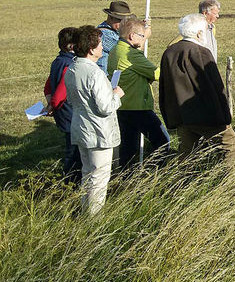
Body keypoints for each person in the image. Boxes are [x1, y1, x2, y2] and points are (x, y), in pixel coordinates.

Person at [159, 13, 235, 166]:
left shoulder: (169, 52)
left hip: (180, 113)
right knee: (230, 145)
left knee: (187, 152)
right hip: (204, 114)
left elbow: (164, 86)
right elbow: (215, 86)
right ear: (199, 33)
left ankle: (184, 184)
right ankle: (229, 182)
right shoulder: (200, 52)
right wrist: (224, 117)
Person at [65, 25, 125, 215]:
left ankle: (85, 211)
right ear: (91, 49)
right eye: (100, 44)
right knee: (99, 178)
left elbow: (70, 98)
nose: (102, 47)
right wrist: (117, 95)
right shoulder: (95, 73)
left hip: (81, 127)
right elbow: (105, 107)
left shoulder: (72, 68)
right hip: (98, 131)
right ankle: (94, 220)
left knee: (88, 174)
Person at [107, 17, 170, 171]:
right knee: (162, 141)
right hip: (138, 107)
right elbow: (157, 74)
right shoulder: (132, 55)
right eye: (142, 36)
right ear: (132, 36)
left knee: (128, 148)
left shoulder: (115, 50)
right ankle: (158, 173)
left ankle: (125, 177)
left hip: (123, 106)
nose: (144, 39)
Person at [43, 27, 81, 185]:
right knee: (73, 152)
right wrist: (53, 105)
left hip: (62, 113)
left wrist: (50, 102)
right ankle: (70, 182)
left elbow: (48, 85)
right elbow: (61, 92)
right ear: (71, 46)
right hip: (69, 113)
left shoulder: (57, 61)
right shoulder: (70, 64)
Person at [97, 0, 135, 72]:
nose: (124, 24)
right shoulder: (105, 34)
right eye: (120, 20)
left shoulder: (110, 29)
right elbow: (129, 51)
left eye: (126, 21)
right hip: (104, 76)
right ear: (110, 18)